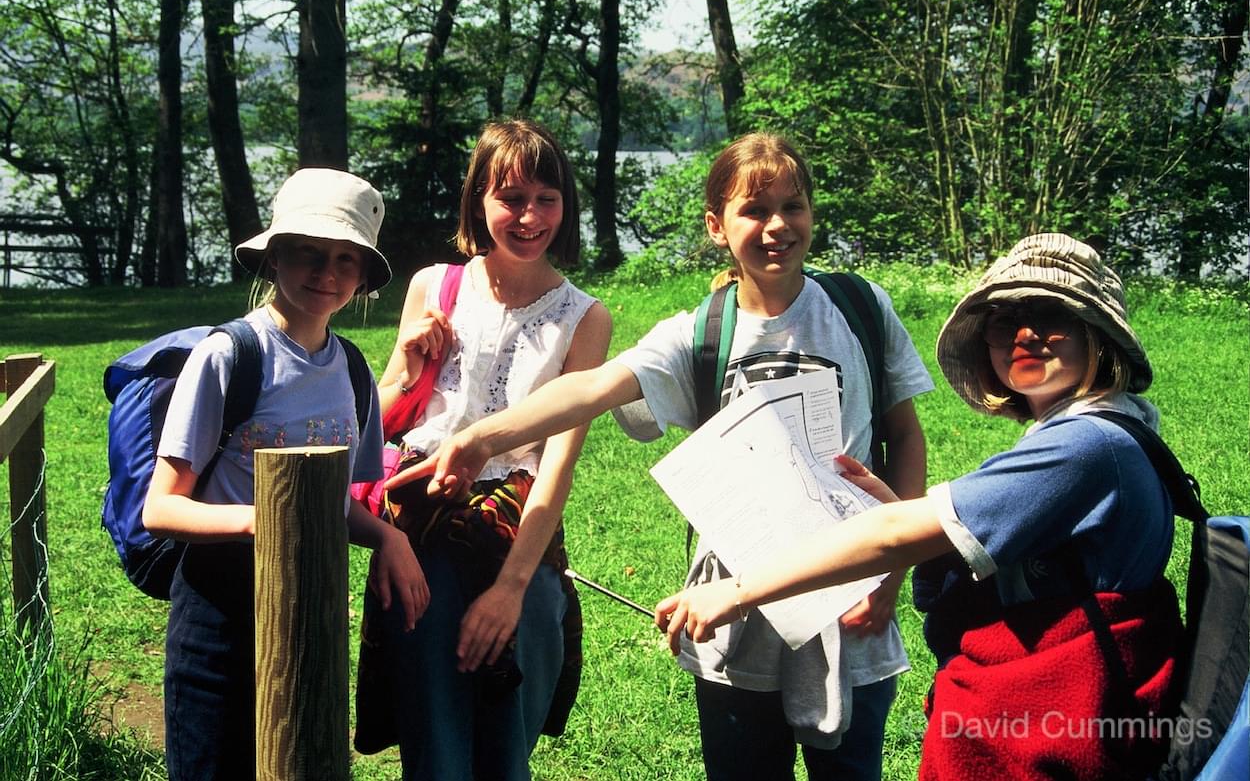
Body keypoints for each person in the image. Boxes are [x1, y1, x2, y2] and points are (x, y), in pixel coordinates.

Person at [399, 132, 933, 781]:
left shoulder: (861, 308)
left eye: (793, 207)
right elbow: (591, 387)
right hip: (732, 625)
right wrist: (484, 437)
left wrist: (892, 567)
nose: (777, 226)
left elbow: (905, 437)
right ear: (716, 225)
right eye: (754, 210)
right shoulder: (698, 334)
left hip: (850, 611)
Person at [656, 233, 1184, 780]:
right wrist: (901, 513)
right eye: (1004, 322)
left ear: (1098, 335)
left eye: (1052, 317)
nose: (1025, 335)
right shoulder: (1107, 426)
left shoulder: (1083, 447)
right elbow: (958, 535)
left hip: (1062, 721)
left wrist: (739, 590)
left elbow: (894, 534)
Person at [142, 168, 429, 781]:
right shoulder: (230, 356)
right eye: (308, 253)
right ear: (274, 257)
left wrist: (387, 537)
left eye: (346, 260)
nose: (327, 273)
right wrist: (272, 519)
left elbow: (338, 503)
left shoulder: (351, 370)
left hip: (313, 606)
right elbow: (161, 509)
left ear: (363, 276)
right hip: (218, 613)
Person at [364, 119, 612, 780]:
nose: (529, 216)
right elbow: (377, 422)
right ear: (479, 199)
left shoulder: (585, 317)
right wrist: (413, 371)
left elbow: (557, 464)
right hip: (419, 531)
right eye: (511, 197)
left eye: (546, 198)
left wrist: (511, 586)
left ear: (567, 205)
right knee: (436, 746)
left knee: (506, 747)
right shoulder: (433, 287)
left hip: (520, 535)